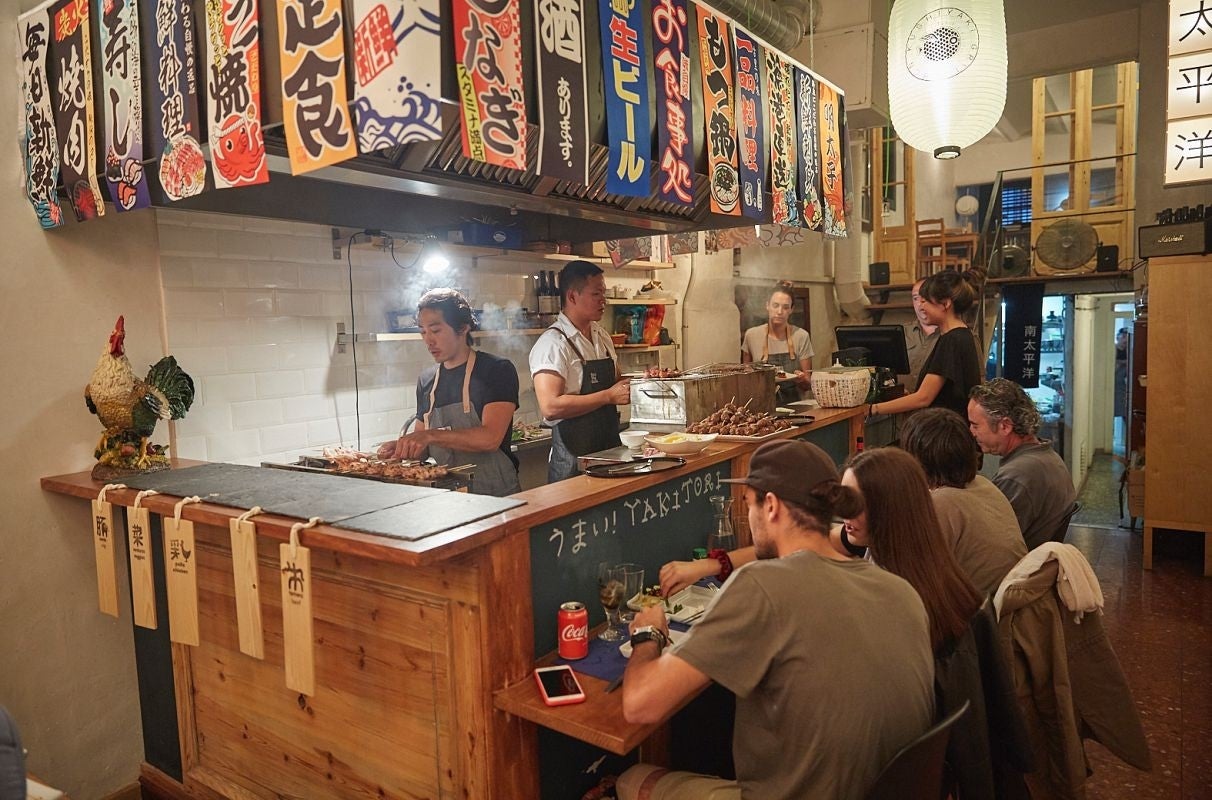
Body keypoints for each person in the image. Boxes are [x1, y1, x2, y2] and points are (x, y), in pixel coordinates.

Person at [618, 441, 935, 800]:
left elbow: (640, 704)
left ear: (770, 506)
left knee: (631, 780)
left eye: (748, 505)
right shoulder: (902, 592)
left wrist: (648, 632)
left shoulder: (760, 585)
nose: (748, 518)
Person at [839, 447, 984, 653]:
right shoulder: (928, 564)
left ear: (889, 509)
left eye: (855, 502)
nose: (844, 511)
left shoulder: (891, 596)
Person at [378, 288, 521, 496]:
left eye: (435, 331)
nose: (428, 341)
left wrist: (430, 436)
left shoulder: (496, 370)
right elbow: (423, 444)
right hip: (449, 498)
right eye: (423, 332)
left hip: (498, 495)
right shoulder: (427, 381)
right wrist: (402, 448)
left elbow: (490, 438)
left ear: (463, 328)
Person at [899, 408, 1028, 597]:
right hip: (1003, 606)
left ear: (919, 460)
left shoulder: (941, 503)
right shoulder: (983, 484)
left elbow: (908, 579)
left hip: (978, 616)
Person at [529, 261, 631, 482]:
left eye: (603, 293)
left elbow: (616, 380)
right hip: (572, 465)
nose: (603, 299)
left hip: (608, 457)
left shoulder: (601, 336)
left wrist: (647, 381)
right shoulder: (553, 344)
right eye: (596, 293)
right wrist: (607, 396)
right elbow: (551, 407)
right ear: (572, 296)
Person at [969, 378, 1077, 549]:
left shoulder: (1018, 475)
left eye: (975, 425)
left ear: (1005, 426)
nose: (971, 432)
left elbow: (989, 544)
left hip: (1015, 569)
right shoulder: (1048, 456)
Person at [868, 268, 984, 418]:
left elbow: (924, 398)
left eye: (925, 301)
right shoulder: (960, 335)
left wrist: (872, 409)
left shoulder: (952, 340)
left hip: (945, 430)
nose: (921, 307)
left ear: (945, 304)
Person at [740, 280, 813, 404]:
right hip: (762, 408)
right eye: (775, 305)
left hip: (795, 407)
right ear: (767, 305)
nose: (780, 311)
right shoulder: (751, 335)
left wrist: (802, 379)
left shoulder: (801, 336)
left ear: (791, 309)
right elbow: (744, 379)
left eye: (785, 307)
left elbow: (807, 385)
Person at [905, 278, 940, 390]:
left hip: (938, 406)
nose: (920, 304)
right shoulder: (903, 332)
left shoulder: (951, 335)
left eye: (925, 297)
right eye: (916, 298)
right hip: (900, 403)